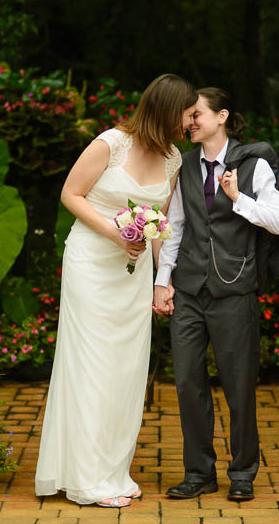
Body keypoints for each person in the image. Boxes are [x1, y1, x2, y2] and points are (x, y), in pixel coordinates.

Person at [35, 74, 198, 508]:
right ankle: (86, 479)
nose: (191, 123)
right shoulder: (111, 142)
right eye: (187, 114)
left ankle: (112, 470)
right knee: (93, 364)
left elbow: (161, 226)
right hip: (91, 263)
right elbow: (72, 194)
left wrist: (163, 280)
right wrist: (113, 231)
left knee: (126, 369)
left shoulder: (173, 159)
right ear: (166, 111)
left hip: (133, 271)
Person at [154, 87, 279, 501]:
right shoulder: (186, 165)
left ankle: (243, 472)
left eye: (196, 114)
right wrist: (163, 281)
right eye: (188, 116)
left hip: (235, 291)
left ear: (221, 116)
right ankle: (198, 473)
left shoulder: (254, 164)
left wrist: (237, 199)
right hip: (190, 291)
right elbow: (175, 226)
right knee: (188, 384)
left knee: (238, 385)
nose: (189, 122)